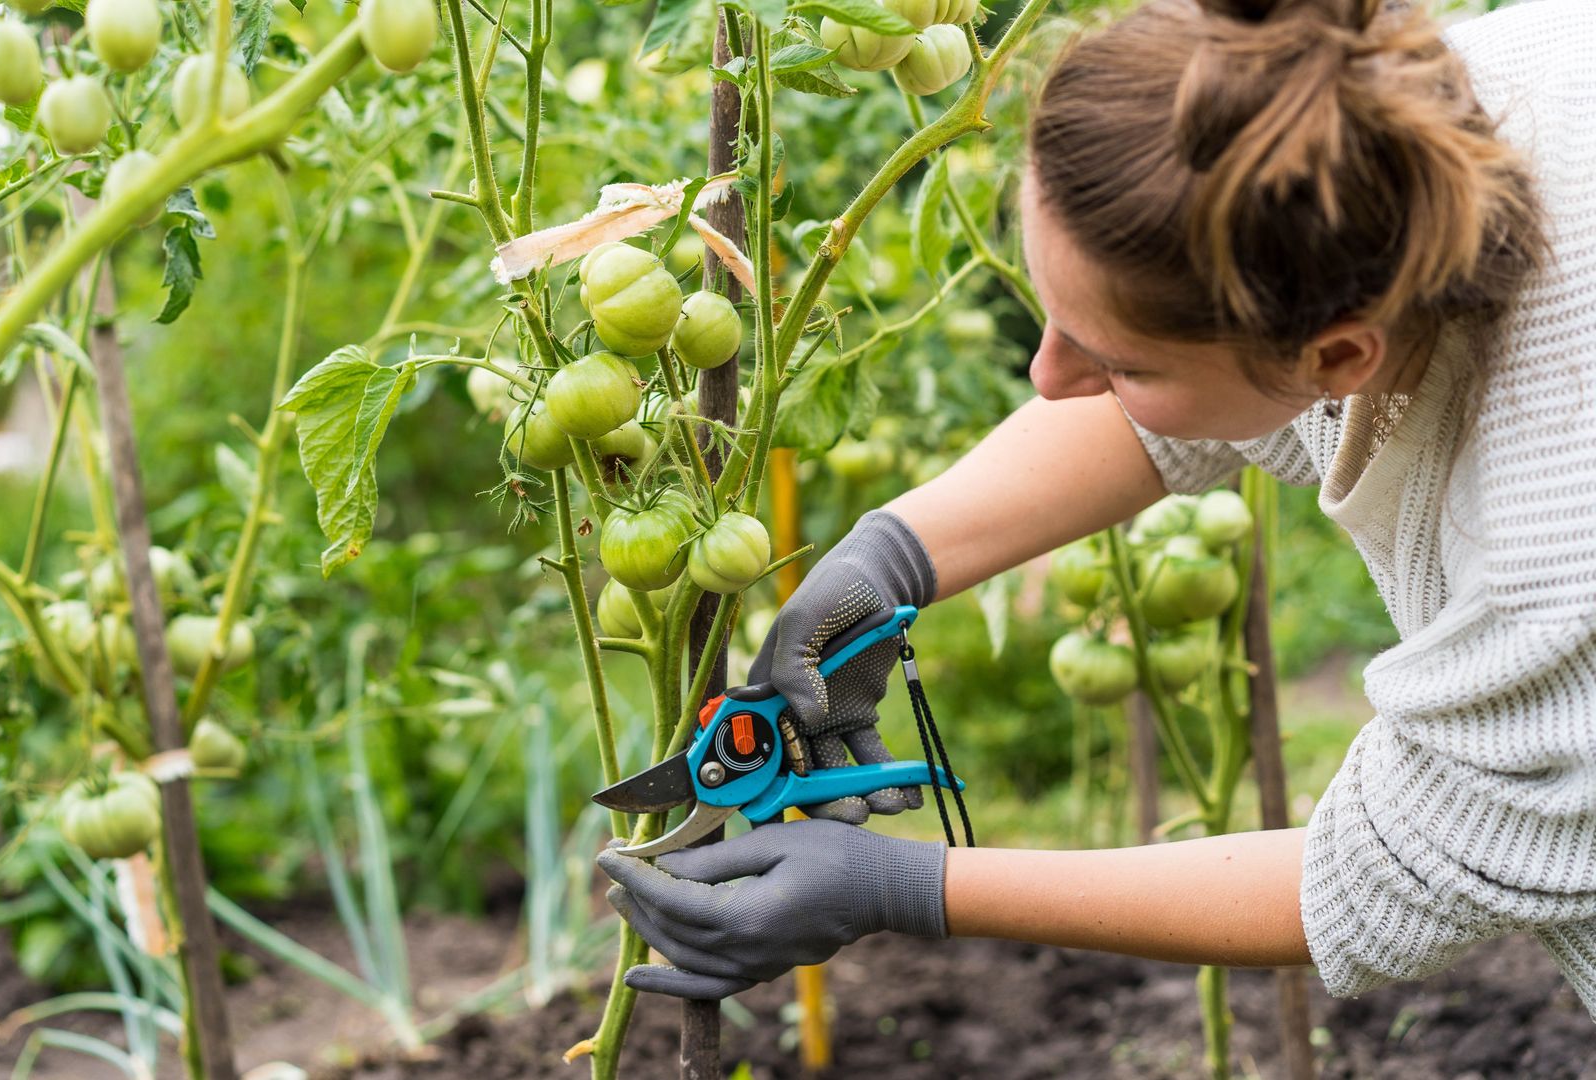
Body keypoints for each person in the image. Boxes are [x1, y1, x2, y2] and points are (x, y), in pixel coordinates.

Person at [596, 0, 1596, 1018]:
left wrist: (904, 887)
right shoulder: (1350, 121)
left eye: (1113, 360)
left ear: (1338, 356)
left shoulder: (1555, 543)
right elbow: (1188, 402)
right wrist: (895, 553)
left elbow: (1392, 869)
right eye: (1053, 319)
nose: (1046, 375)